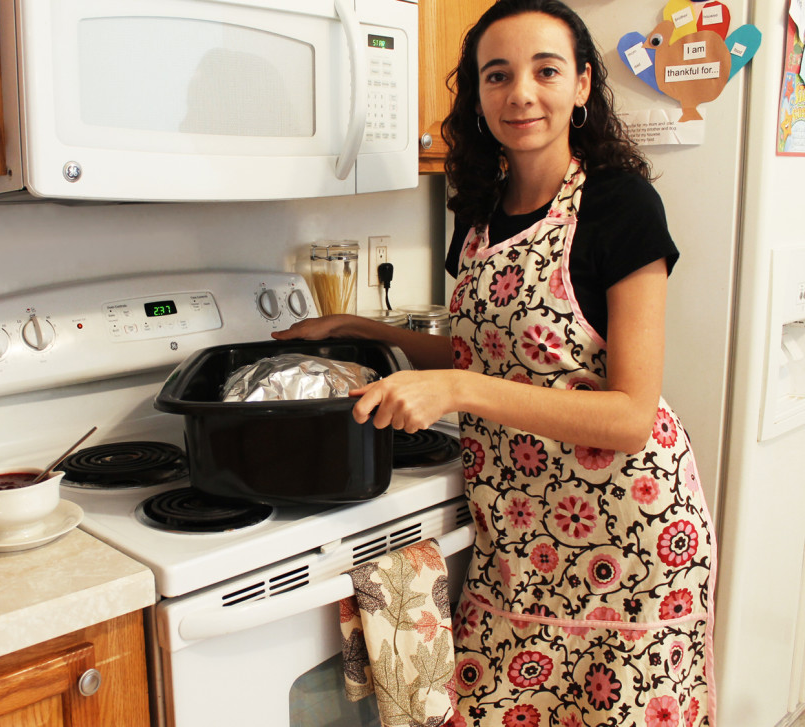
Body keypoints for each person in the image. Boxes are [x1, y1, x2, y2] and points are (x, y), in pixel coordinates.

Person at [273, 1, 716, 725]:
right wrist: (359, 327)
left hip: (629, 547)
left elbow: (631, 415)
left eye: (546, 71)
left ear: (580, 85)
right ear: (477, 96)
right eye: (497, 75)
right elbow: (481, 352)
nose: (521, 94)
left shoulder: (620, 206)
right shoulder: (476, 212)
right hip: (517, 542)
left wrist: (457, 388)